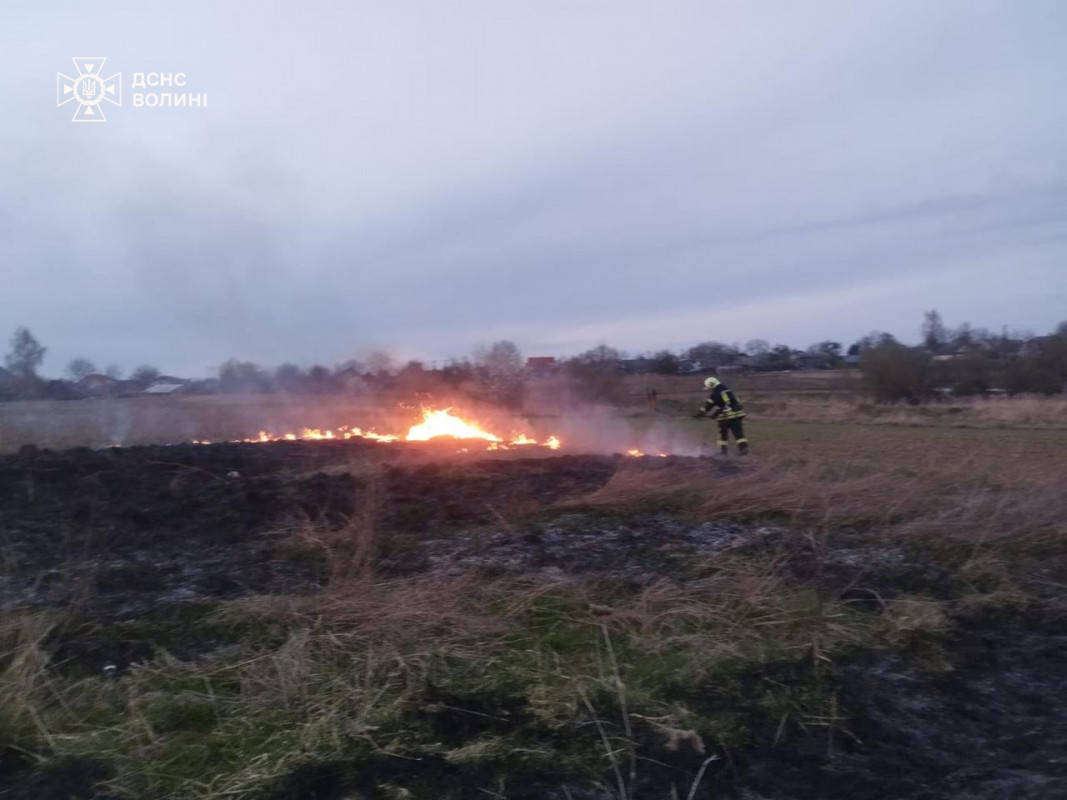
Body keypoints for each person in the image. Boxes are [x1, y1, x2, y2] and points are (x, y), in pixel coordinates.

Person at [693, 376, 748, 455]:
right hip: (737, 415)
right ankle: (743, 449)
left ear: (712, 385)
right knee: (738, 433)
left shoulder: (715, 393)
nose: (710, 390)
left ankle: (723, 451)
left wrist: (699, 413)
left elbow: (708, 405)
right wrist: (716, 413)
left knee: (723, 434)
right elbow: (725, 404)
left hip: (726, 417)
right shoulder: (727, 390)